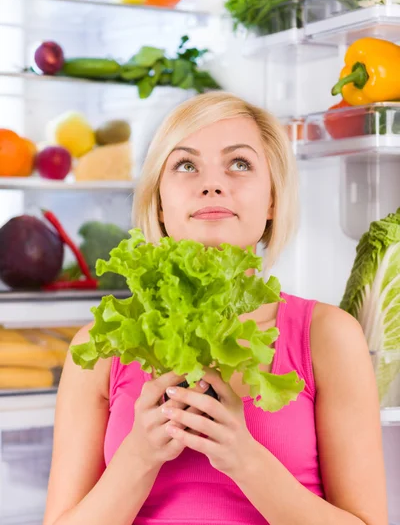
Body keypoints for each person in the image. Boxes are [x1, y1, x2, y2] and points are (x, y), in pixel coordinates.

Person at [43, 91, 387, 525]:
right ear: (160, 203)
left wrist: (244, 459)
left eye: (239, 164)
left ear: (272, 201)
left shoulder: (327, 336)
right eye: (186, 165)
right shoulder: (101, 345)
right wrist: (138, 458)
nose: (212, 183)